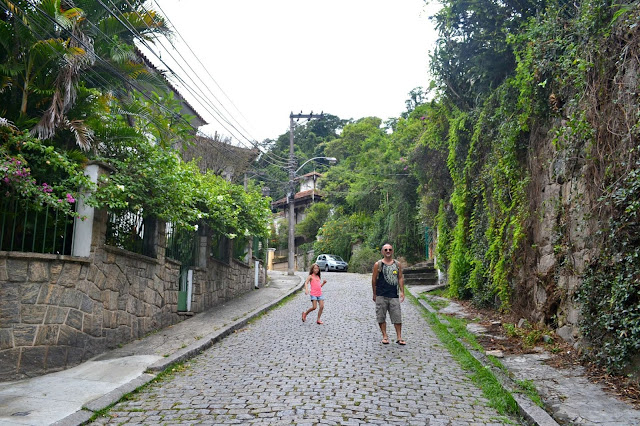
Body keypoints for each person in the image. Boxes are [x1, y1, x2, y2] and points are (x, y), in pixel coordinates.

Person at [372, 243, 405, 345]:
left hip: (393, 294)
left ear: (392, 251)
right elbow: (373, 280)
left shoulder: (397, 264)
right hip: (381, 294)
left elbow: (400, 277)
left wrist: (402, 291)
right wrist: (374, 293)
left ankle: (399, 337)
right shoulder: (378, 264)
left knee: (397, 316)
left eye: (390, 249)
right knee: (381, 316)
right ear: (382, 252)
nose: (388, 251)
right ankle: (385, 336)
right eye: (385, 250)